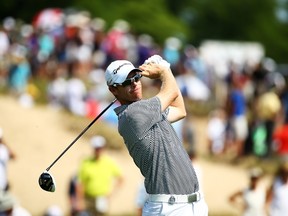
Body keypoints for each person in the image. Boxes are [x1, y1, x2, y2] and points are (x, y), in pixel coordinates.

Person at [104, 55, 208, 216]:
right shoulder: (132, 114)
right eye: (127, 82)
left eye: (136, 77)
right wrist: (164, 70)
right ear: (113, 89)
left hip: (194, 205)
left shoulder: (147, 110)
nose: (134, 84)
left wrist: (165, 71)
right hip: (169, 208)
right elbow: (171, 91)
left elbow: (180, 110)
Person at [77, 135, 123, 216]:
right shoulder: (86, 162)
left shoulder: (109, 162)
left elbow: (120, 179)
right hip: (88, 199)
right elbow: (80, 183)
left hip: (102, 199)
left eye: (100, 148)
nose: (98, 150)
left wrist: (112, 193)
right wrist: (80, 201)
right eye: (96, 148)